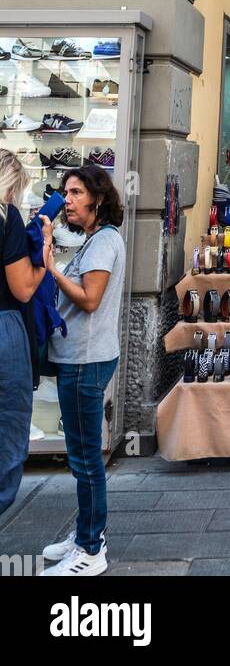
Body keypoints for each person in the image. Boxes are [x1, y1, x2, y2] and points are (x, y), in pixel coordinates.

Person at [39, 165, 126, 578]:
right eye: (65, 192)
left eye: (75, 193)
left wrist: (51, 268)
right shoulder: (95, 240)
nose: (67, 200)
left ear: (97, 199)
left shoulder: (104, 242)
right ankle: (86, 534)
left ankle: (91, 550)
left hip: (85, 360)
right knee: (82, 457)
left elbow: (90, 300)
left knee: (87, 459)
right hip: (81, 357)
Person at [0, 150, 49, 515]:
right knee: (10, 431)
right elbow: (23, 289)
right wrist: (45, 254)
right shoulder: (7, 219)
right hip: (4, 326)